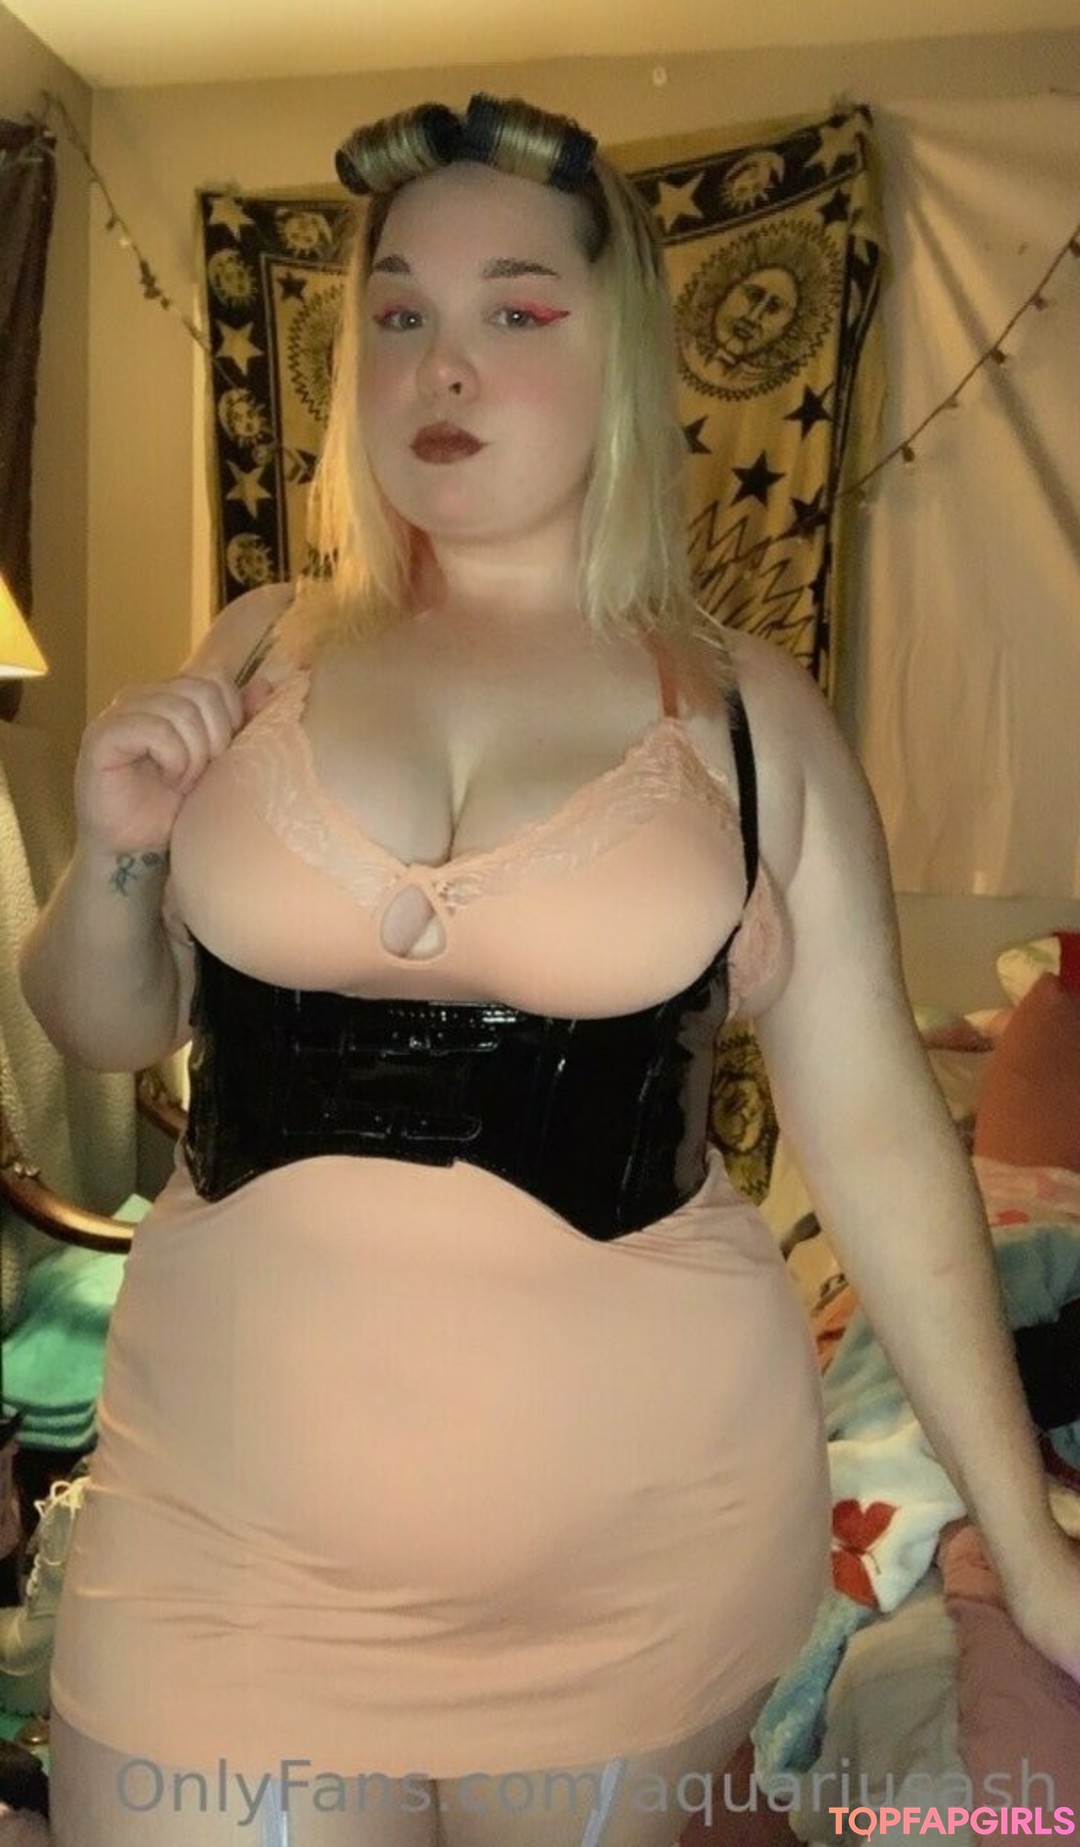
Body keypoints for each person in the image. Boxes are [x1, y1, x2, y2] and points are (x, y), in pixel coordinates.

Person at [19, 94, 1080, 1847]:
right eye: (399, 314)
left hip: (635, 1579)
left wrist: (1028, 1552)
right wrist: (117, 847)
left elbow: (886, 1148)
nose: (443, 367)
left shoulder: (747, 718)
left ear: (623, 360)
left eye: (516, 311)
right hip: (220, 1560)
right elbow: (105, 1019)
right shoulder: (258, 644)